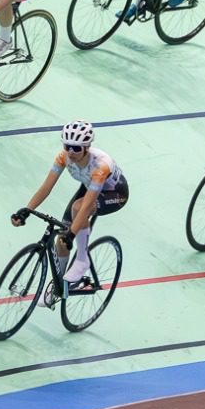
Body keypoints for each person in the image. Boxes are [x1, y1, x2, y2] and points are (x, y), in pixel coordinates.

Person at [12, 120, 127, 303]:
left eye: (76, 148)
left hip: (115, 194)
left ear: (86, 147)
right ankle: (59, 286)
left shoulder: (100, 165)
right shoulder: (63, 157)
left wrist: (72, 234)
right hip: (89, 187)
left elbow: (87, 205)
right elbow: (46, 187)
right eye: (67, 146)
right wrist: (27, 209)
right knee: (61, 241)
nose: (71, 152)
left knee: (78, 209)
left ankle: (82, 260)